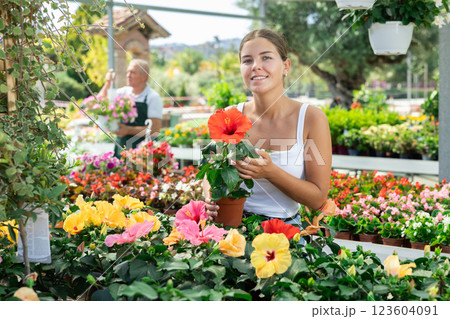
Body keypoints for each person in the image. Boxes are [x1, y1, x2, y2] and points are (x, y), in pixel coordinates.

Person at [205, 29, 332, 229]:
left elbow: (317, 199)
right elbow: (210, 172)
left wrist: (270, 172)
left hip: (285, 233)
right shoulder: (230, 115)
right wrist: (210, 199)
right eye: (247, 61)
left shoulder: (311, 118)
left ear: (286, 66)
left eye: (266, 58)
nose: (256, 66)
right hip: (230, 229)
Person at [99, 59, 163, 158]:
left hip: (143, 152)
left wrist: (128, 130)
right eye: (128, 72)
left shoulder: (152, 97)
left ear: (144, 76)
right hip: (122, 147)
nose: (128, 75)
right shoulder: (123, 92)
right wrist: (107, 84)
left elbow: (155, 130)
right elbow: (99, 102)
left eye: (133, 72)